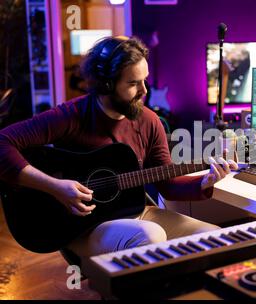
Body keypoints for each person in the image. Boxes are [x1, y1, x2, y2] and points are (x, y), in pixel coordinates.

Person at [0, 36, 237, 267]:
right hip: (83, 226)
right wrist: (55, 186)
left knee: (213, 237)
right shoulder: (72, 115)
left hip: (136, 213)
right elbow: (3, 142)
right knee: (149, 237)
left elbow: (167, 182)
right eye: (133, 83)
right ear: (106, 84)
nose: (144, 90)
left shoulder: (149, 121)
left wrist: (203, 182)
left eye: (145, 80)